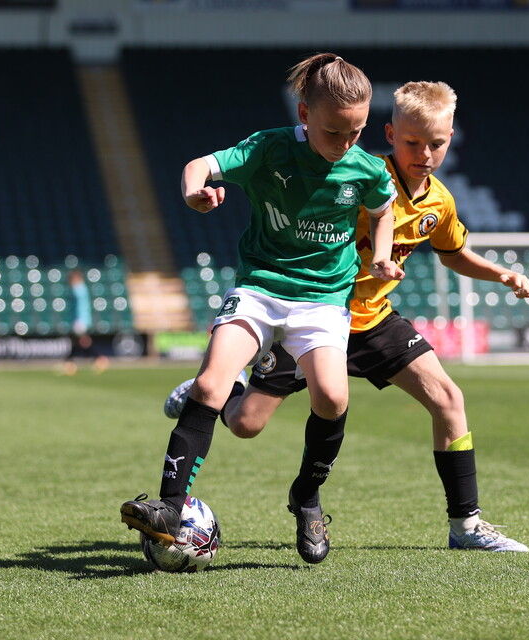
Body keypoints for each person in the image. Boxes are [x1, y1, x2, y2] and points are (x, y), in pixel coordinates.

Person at [166, 81, 529, 552]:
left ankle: (465, 526)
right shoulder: (355, 171)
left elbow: (454, 253)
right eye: (412, 142)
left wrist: (501, 273)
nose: (424, 154)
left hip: (373, 320)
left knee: (448, 398)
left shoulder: (439, 202)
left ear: (451, 140)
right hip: (317, 312)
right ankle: (227, 388)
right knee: (244, 424)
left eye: (437, 143)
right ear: (390, 134)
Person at [121, 53, 404, 565]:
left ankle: (307, 497)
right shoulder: (268, 148)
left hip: (323, 300)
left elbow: (383, 211)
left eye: (357, 132)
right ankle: (168, 507)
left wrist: (381, 256)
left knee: (332, 399)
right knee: (210, 386)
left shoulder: (365, 167)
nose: (346, 143)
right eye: (334, 131)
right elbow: (199, 165)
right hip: (260, 287)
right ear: (304, 114)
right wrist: (193, 193)